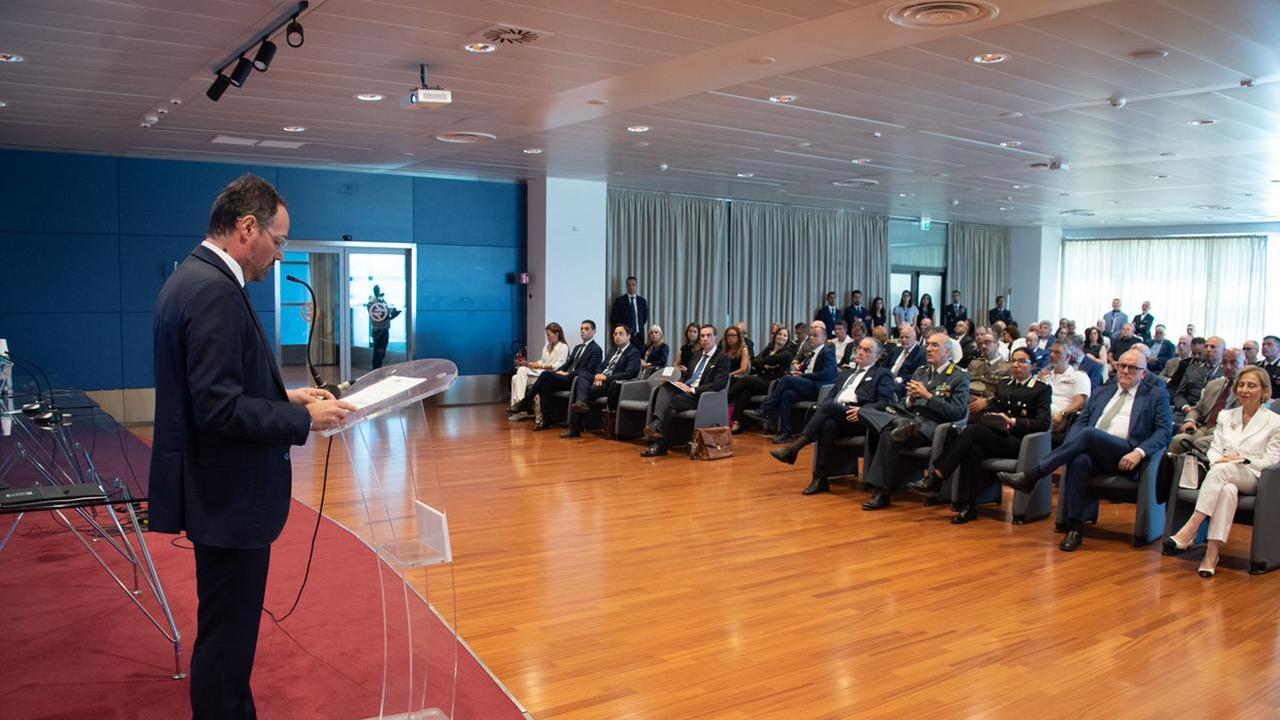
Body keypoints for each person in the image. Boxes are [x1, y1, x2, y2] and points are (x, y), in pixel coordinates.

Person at [150, 174, 357, 718]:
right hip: (230, 496)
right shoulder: (217, 290)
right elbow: (218, 408)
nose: (278, 255)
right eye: (279, 241)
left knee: (226, 628)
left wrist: (283, 395)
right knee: (228, 636)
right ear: (247, 228)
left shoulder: (189, 279)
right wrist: (301, 419)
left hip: (214, 490)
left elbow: (214, 388)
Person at [999, 349, 1172, 552]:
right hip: (1095, 453)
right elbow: (1080, 424)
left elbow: (1164, 432)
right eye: (1121, 366)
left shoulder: (1156, 395)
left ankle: (1034, 475)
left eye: (1132, 368)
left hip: (1127, 454)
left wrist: (1139, 452)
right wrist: (1073, 447)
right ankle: (1074, 528)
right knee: (1079, 459)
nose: (1125, 371)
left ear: (1143, 373)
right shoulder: (1103, 391)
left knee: (1090, 434)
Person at [910, 347, 1051, 523]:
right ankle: (968, 507)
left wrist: (1012, 421)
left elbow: (1043, 423)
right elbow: (989, 411)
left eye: (1022, 361)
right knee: (972, 449)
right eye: (1013, 361)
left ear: (1034, 366)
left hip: (1020, 443)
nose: (1016, 365)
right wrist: (995, 418)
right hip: (997, 436)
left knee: (972, 431)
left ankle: (937, 476)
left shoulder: (1040, 389)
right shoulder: (1004, 384)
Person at [1165, 366, 1280, 576]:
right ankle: (1212, 553)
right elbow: (1215, 449)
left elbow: (1272, 460)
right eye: (1242, 385)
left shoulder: (1275, 422)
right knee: (1227, 490)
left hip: (1254, 475)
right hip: (1222, 473)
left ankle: (1190, 528)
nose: (1245, 390)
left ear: (1264, 391)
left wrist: (1241, 459)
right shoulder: (1226, 416)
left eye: (1251, 386)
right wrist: (1220, 461)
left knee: (1223, 471)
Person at [768, 338, 896, 494]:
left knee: (828, 407)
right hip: (837, 414)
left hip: (859, 418)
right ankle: (819, 478)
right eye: (860, 348)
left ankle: (794, 448)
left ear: (876, 357)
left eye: (867, 350)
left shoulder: (882, 374)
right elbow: (832, 395)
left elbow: (884, 402)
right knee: (828, 424)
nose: (860, 352)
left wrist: (862, 412)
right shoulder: (846, 374)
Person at [859, 331, 970, 510]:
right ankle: (882, 490)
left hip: (932, 427)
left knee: (888, 431)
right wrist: (910, 399)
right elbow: (904, 403)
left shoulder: (958, 376)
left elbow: (957, 412)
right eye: (928, 345)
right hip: (908, 419)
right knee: (883, 422)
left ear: (947, 353)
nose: (929, 349)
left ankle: (882, 492)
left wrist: (928, 396)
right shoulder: (921, 372)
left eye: (935, 346)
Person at [641, 324, 732, 457]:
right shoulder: (696, 355)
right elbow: (688, 375)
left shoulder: (722, 358)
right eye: (702, 336)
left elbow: (719, 384)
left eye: (709, 335)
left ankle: (659, 438)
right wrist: (679, 383)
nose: (705, 339)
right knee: (664, 387)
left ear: (716, 338)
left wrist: (693, 390)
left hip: (701, 397)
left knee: (670, 403)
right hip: (685, 390)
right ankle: (658, 428)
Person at [746, 321, 837, 441]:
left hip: (819, 388)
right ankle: (785, 432)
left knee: (787, 380)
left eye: (815, 335)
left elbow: (828, 374)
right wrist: (797, 371)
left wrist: (804, 375)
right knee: (787, 394)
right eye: (811, 335)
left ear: (824, 338)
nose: (811, 338)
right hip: (808, 384)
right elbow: (804, 368)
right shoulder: (811, 353)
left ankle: (765, 410)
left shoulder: (827, 351)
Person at [508, 320, 603, 430]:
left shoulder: (596, 349)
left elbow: (588, 370)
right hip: (566, 376)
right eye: (581, 329)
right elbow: (567, 364)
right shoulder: (578, 347)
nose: (583, 331)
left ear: (594, 331)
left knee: (545, 375)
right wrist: (561, 371)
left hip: (576, 379)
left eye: (586, 329)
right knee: (545, 384)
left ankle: (525, 401)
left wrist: (568, 373)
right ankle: (546, 420)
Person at [564, 324, 642, 438]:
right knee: (582, 375)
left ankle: (574, 427)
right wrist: (597, 375)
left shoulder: (633, 352)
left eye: (621, 334)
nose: (617, 337)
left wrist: (605, 378)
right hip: (601, 379)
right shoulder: (613, 350)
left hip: (613, 384)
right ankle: (581, 404)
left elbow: (630, 373)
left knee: (583, 390)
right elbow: (602, 366)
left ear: (629, 336)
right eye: (615, 334)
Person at [1169, 348, 1243, 454]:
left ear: (1244, 363)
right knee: (1178, 440)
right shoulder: (1214, 384)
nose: (1228, 367)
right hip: (1204, 428)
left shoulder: (1246, 390)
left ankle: (1196, 470)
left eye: (1233, 362)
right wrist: (1190, 420)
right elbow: (1198, 409)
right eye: (1224, 362)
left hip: (1226, 431)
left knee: (1200, 444)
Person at [727, 326, 793, 433]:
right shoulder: (769, 349)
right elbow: (755, 361)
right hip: (762, 379)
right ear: (775, 336)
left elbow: (766, 360)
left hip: (774, 383)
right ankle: (737, 423)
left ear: (788, 339)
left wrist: (765, 362)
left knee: (745, 380)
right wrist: (765, 365)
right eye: (780, 334)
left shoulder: (787, 353)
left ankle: (725, 400)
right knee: (745, 391)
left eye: (785, 335)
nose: (782, 337)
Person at [510, 323, 569, 418]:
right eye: (546, 335)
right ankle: (520, 407)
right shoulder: (547, 347)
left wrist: (540, 365)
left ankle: (521, 405)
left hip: (550, 375)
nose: (547, 337)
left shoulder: (563, 347)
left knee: (520, 372)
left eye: (549, 335)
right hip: (540, 372)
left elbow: (557, 366)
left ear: (557, 333)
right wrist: (529, 364)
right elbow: (542, 360)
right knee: (515, 377)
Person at [1040, 341, 1091, 446]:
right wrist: (1039, 378)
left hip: (1060, 415)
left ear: (1068, 357)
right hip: (1041, 411)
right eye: (1051, 352)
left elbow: (1080, 401)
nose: (1052, 355)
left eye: (1057, 352)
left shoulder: (1078, 376)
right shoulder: (1045, 376)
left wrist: (1063, 413)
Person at [1172, 336, 1225, 423]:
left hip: (1210, 416)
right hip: (1186, 412)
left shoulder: (1226, 372)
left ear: (1223, 351)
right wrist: (1185, 407)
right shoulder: (1192, 369)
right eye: (1206, 346)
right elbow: (1179, 395)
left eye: (1212, 347)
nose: (1208, 349)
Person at [964, 329, 1011, 416]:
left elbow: (1007, 393)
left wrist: (988, 401)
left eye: (988, 342)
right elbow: (964, 384)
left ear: (997, 344)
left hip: (989, 406)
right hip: (966, 401)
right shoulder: (974, 363)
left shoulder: (1007, 367)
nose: (983, 346)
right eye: (981, 344)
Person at [365, 284, 402, 369]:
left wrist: (392, 313)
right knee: (378, 354)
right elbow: (380, 316)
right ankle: (376, 373)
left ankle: (377, 371)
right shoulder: (372, 303)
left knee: (381, 354)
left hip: (384, 329)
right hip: (379, 331)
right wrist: (391, 315)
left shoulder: (381, 302)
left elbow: (385, 315)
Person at [609, 276, 649, 350]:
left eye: (633, 285)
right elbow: (614, 319)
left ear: (636, 286)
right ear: (626, 286)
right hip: (625, 336)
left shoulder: (642, 301)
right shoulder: (620, 301)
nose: (631, 287)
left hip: (638, 336)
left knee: (638, 358)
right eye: (629, 285)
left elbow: (644, 318)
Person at [885, 324, 924, 392]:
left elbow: (919, 374)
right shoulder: (896, 350)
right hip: (887, 379)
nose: (903, 340)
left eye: (907, 337)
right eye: (901, 337)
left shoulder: (920, 353)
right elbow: (885, 366)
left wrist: (900, 379)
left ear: (915, 338)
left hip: (903, 384)